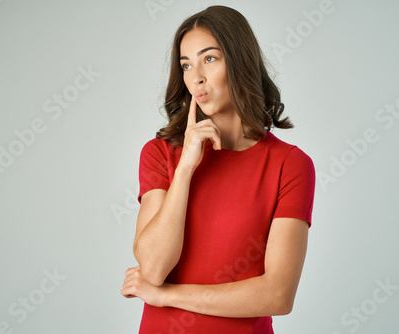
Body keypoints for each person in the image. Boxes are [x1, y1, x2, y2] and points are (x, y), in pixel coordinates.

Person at [121, 5, 316, 333]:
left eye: (209, 59)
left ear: (239, 61)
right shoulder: (160, 155)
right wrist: (184, 170)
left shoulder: (291, 165)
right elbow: (152, 268)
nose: (195, 76)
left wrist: (166, 295)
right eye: (186, 65)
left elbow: (279, 294)